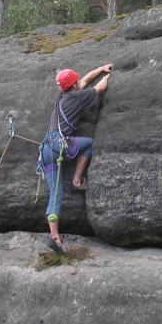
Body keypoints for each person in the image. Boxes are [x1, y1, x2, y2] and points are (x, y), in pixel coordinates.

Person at [40, 63, 113, 254]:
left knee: (55, 195)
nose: (79, 83)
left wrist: (100, 69)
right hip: (60, 146)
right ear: (73, 85)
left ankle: (54, 236)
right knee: (89, 143)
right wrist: (107, 78)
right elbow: (98, 88)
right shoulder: (78, 96)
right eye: (75, 82)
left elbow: (86, 80)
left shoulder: (63, 96)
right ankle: (77, 180)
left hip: (45, 150)